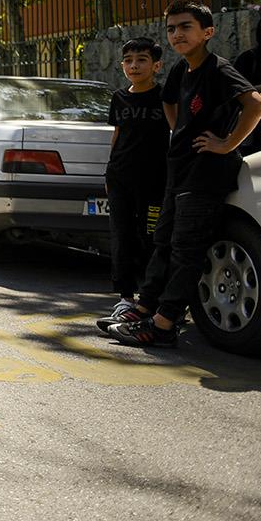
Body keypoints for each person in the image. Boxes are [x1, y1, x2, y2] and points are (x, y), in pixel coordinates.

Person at [101, 1, 261, 348]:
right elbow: (169, 102)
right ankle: (144, 307)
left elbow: (256, 104)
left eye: (186, 27)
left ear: (207, 32)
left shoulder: (219, 70)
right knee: (163, 241)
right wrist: (181, 131)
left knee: (186, 249)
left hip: (207, 173)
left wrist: (226, 143)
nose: (177, 34)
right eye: (172, 27)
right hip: (178, 169)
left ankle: (162, 326)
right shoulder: (180, 70)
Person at [101, 38, 168, 316]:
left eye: (141, 59)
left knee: (152, 237)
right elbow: (117, 135)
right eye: (128, 60)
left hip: (154, 180)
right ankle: (125, 297)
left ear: (156, 65)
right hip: (120, 178)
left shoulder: (166, 97)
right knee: (122, 236)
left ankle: (151, 297)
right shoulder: (119, 97)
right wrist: (108, 172)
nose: (134, 65)